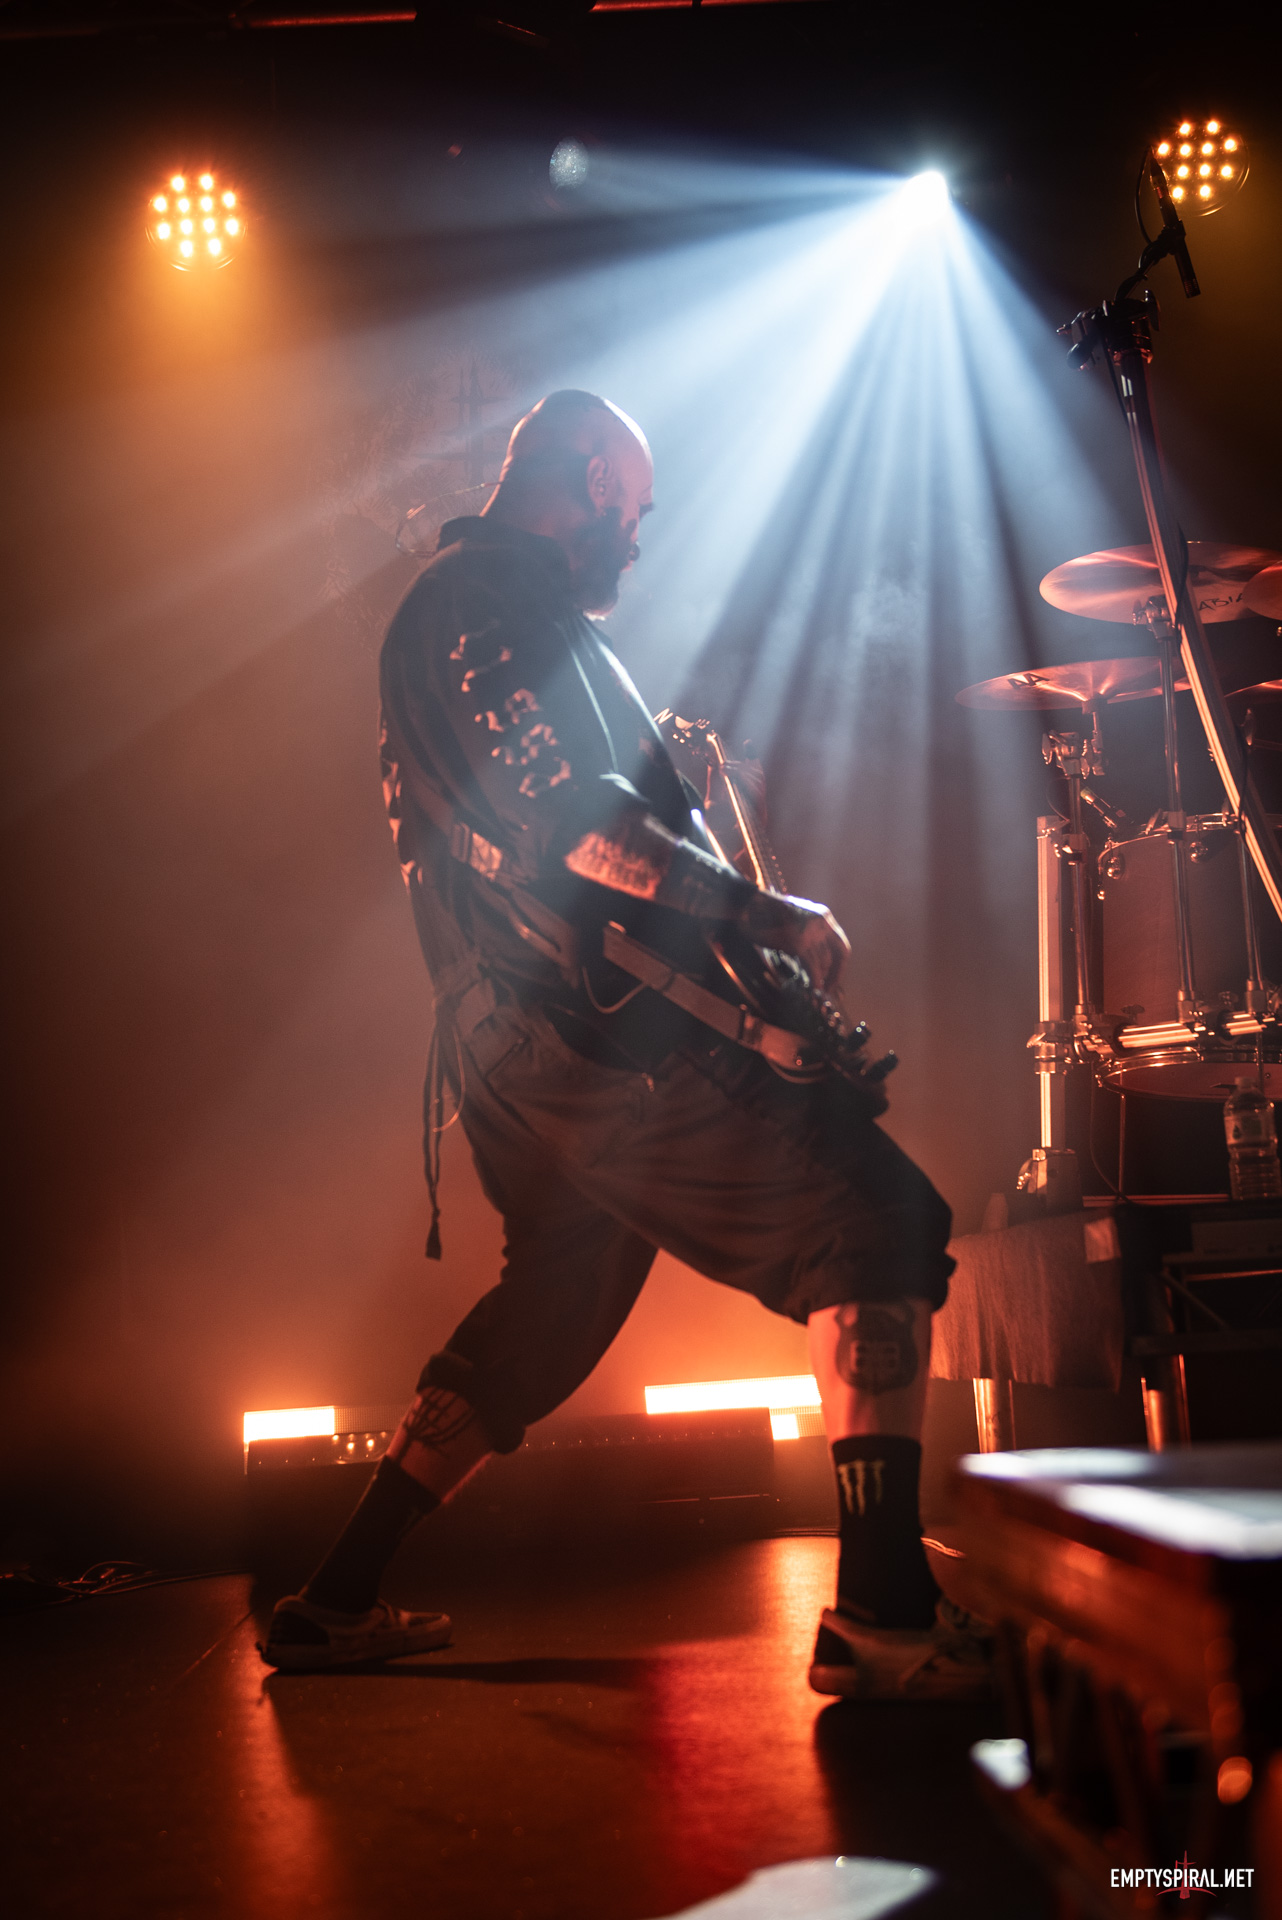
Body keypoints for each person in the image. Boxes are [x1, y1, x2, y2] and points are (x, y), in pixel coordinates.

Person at [262, 390, 989, 1698]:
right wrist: (762, 913)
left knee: (551, 1303)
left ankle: (334, 1599)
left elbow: (555, 818)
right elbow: (571, 832)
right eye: (637, 507)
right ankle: (883, 1614)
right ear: (593, 478)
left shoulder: (481, 612)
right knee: (874, 1222)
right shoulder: (486, 603)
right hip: (584, 1036)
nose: (640, 538)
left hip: (508, 1047)